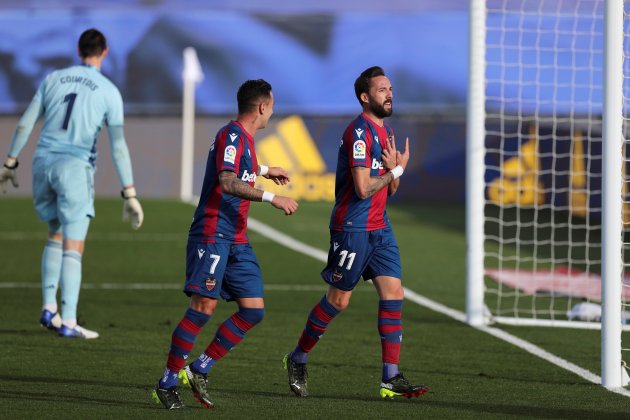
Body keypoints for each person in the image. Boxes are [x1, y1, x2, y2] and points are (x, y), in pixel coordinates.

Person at [151, 79, 298, 410]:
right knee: (204, 307)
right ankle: (167, 381)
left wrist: (263, 170)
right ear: (261, 107)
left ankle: (200, 368)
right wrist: (272, 197)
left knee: (253, 309)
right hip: (213, 233)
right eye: (272, 105)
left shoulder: (244, 140)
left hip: (236, 238)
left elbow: (238, 167)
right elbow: (228, 181)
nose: (273, 111)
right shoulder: (231, 134)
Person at [283, 66, 427, 399]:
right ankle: (298, 357)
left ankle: (389, 377)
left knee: (394, 294)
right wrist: (398, 169)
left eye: (390, 88)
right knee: (339, 300)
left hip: (380, 226)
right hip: (353, 227)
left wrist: (394, 170)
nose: (389, 94)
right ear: (365, 97)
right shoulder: (358, 132)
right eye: (381, 90)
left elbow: (391, 190)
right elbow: (362, 189)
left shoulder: (386, 132)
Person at [0, 28, 144, 340]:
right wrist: (129, 192)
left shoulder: (53, 79)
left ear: (79, 50)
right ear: (104, 52)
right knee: (74, 245)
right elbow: (118, 146)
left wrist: (10, 161)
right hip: (74, 167)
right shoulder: (108, 90)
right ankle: (68, 320)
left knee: (55, 233)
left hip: (42, 163)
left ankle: (49, 308)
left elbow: (25, 122)